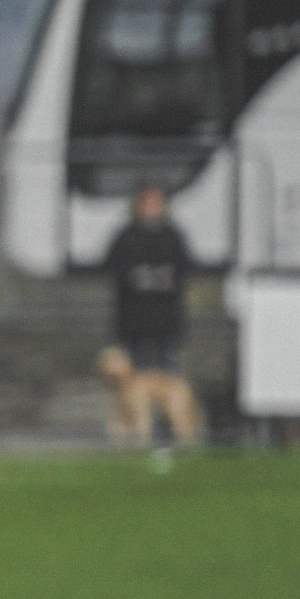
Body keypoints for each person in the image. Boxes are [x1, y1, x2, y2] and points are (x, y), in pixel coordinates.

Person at [96, 184, 202, 460]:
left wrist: (160, 279)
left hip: (166, 324)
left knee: (170, 384)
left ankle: (172, 437)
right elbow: (113, 269)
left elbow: (185, 269)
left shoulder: (172, 237)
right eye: (146, 202)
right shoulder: (126, 237)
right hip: (135, 324)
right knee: (133, 390)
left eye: (156, 202)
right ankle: (137, 436)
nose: (151, 207)